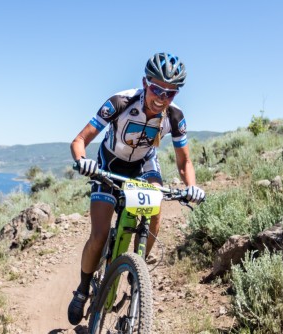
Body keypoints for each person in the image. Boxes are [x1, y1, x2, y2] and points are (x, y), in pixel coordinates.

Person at [67, 52, 206, 325]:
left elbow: (185, 161)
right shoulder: (121, 101)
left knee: (156, 208)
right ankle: (83, 290)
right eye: (156, 89)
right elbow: (80, 139)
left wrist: (192, 187)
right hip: (110, 164)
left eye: (170, 93)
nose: (161, 98)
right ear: (145, 83)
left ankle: (138, 265)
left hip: (144, 165)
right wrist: (83, 161)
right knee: (99, 234)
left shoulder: (175, 117)